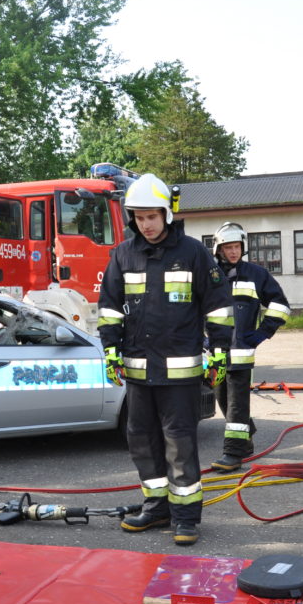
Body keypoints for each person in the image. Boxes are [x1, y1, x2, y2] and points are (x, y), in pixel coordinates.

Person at [98, 174, 234, 546]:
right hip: (139, 372)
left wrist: (219, 353)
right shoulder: (123, 255)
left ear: (166, 214)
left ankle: (186, 515)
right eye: (139, 218)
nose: (147, 225)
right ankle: (157, 506)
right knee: (141, 440)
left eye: (152, 217)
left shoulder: (192, 253)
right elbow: (109, 309)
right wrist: (110, 351)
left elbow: (220, 308)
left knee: (180, 444)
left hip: (181, 373)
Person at [208, 223, 291, 472]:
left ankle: (234, 453)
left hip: (242, 353)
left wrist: (260, 335)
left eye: (237, 247)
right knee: (221, 398)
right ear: (219, 249)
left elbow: (281, 306)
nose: (233, 252)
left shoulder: (256, 274)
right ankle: (248, 432)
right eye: (228, 247)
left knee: (236, 404)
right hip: (216, 353)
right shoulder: (210, 276)